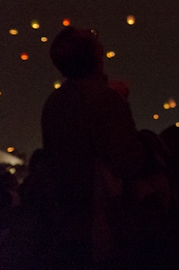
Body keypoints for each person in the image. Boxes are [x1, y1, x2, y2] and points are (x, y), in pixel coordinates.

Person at [41, 27, 145, 269]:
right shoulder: (104, 99)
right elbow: (129, 160)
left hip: (66, 223)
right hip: (103, 226)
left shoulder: (53, 103)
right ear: (96, 54)